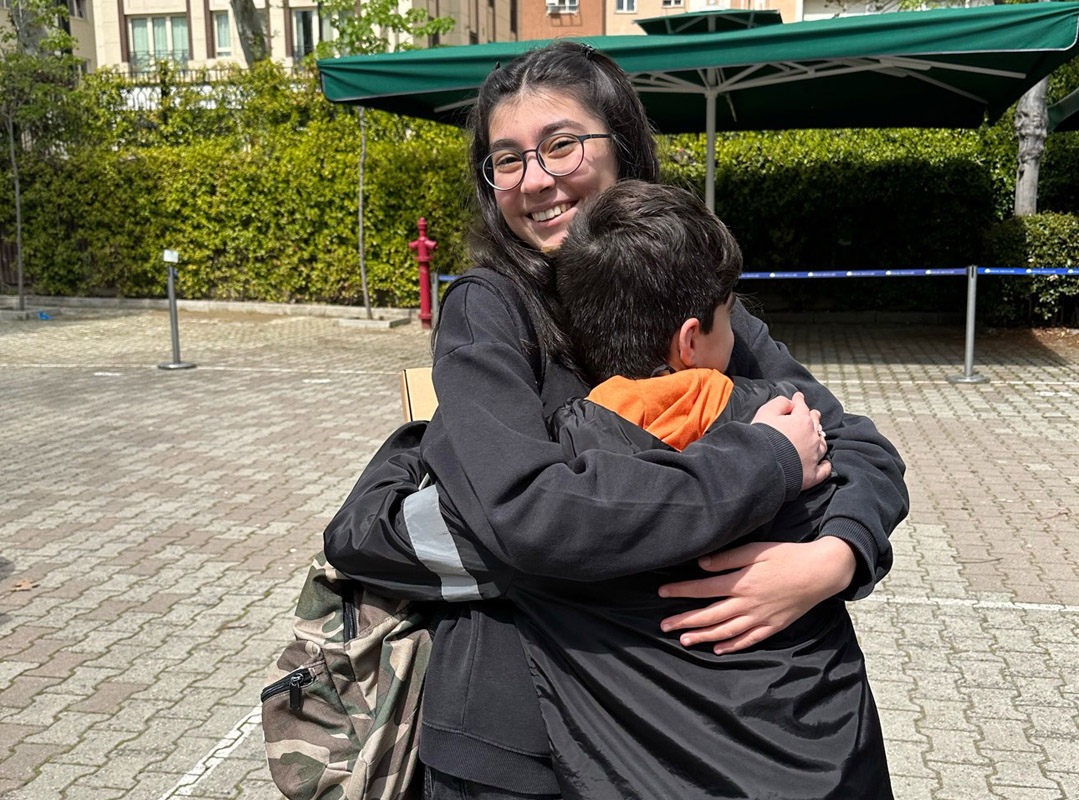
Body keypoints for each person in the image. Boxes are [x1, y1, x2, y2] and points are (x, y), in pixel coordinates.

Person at [323, 40, 908, 800]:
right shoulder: (488, 308)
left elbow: (853, 442)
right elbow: (523, 513)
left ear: (622, 144)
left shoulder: (679, 279)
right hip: (514, 741)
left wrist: (834, 558)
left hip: (683, 725)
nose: (535, 180)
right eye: (506, 160)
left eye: (560, 144)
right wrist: (763, 465)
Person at [499, 178, 889, 797]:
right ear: (689, 341)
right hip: (823, 756)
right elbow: (867, 452)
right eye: (731, 315)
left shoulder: (552, 460)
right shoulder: (790, 426)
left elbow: (383, 533)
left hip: (634, 772)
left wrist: (832, 560)